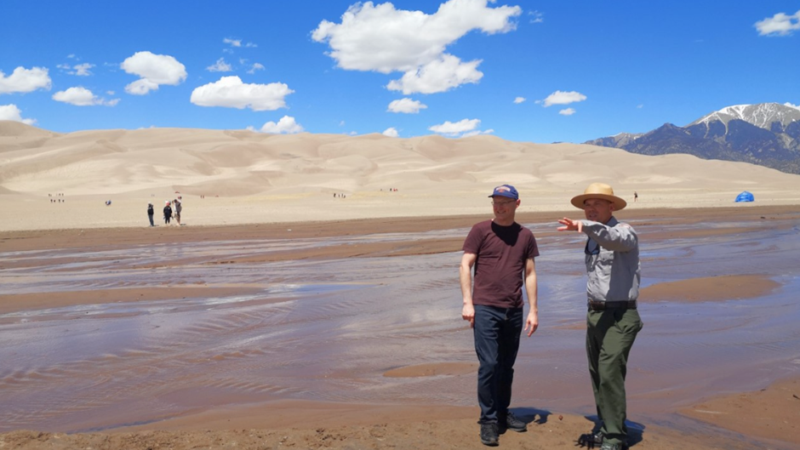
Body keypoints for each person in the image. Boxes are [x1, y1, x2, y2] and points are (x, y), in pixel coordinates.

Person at [557, 183, 643, 450]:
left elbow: (613, 239)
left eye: (597, 204)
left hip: (621, 316)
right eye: (587, 205)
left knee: (609, 373)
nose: (590, 209)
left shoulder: (625, 231)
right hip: (595, 314)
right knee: (597, 374)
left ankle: (616, 438)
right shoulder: (592, 237)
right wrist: (588, 230)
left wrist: (586, 225)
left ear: (612, 206)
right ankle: (607, 427)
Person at [460, 184, 539, 447]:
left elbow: (529, 273)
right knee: (490, 365)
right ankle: (488, 420)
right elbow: (465, 264)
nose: (499, 206)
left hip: (514, 309)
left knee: (506, 366)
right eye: (496, 201)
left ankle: (503, 413)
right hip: (485, 307)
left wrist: (533, 310)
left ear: (517, 204)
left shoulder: (525, 235)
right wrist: (467, 303)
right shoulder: (480, 230)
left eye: (505, 201)